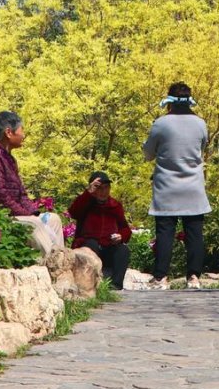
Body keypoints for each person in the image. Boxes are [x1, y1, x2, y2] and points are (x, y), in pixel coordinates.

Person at [143, 82, 210, 290]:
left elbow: (148, 153)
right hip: (193, 186)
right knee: (194, 234)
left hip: (167, 187)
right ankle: (193, 277)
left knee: (165, 233)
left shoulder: (161, 124)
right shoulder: (200, 124)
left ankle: (161, 277)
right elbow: (202, 146)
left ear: (169, 101)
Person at [0, 111, 64, 256]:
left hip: (14, 214)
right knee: (35, 225)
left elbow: (21, 194)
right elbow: (1, 198)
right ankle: (50, 268)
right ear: (8, 132)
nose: (23, 135)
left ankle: (61, 264)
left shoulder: (9, 159)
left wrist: (34, 213)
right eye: (21, 130)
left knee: (53, 219)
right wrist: (29, 216)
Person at [69, 171, 131, 290]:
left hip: (108, 246)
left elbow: (125, 229)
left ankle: (115, 286)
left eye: (106, 188)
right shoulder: (86, 202)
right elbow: (74, 212)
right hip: (89, 246)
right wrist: (88, 193)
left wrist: (121, 236)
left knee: (123, 250)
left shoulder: (115, 206)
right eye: (99, 188)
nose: (103, 192)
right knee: (91, 244)